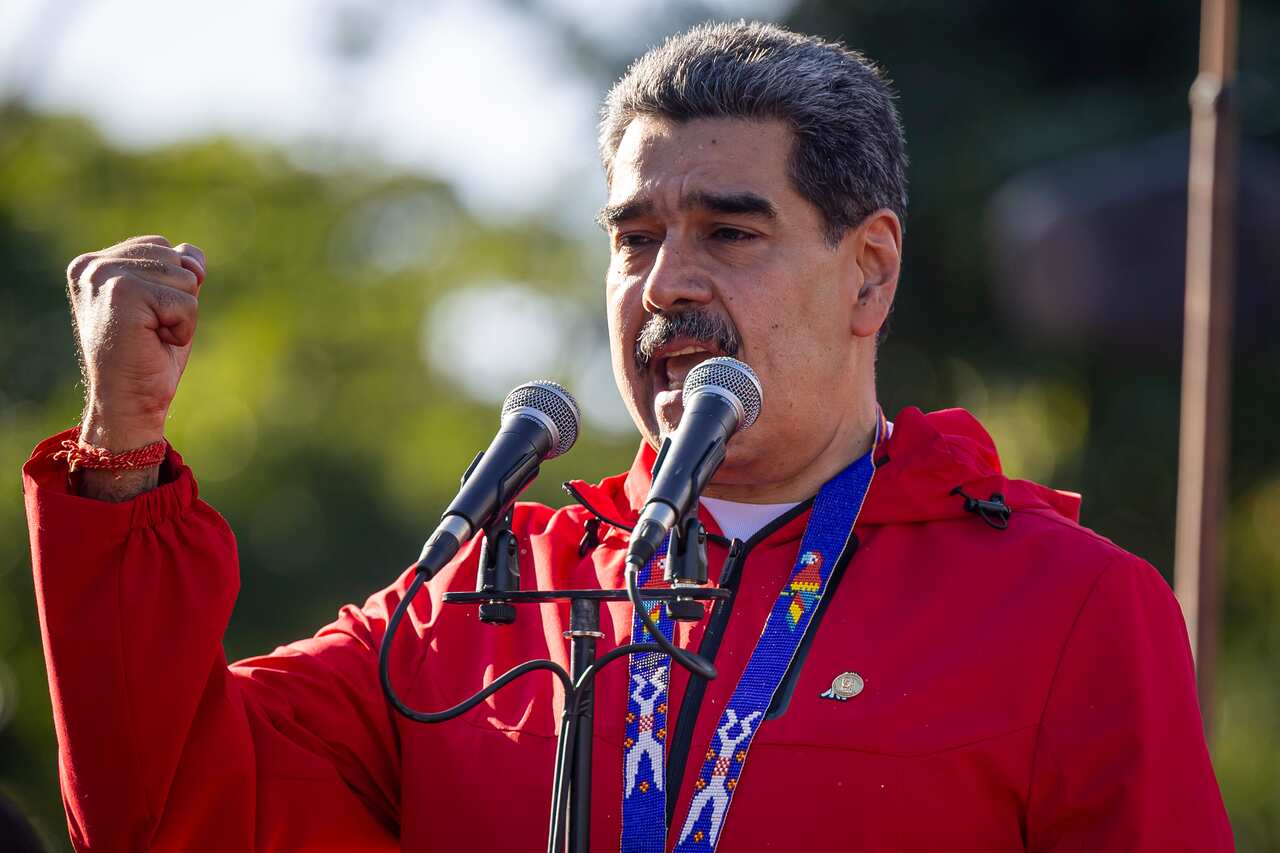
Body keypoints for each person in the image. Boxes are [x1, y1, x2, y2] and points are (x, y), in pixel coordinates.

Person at [23, 20, 1232, 853]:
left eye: (728, 232)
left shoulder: (1063, 605)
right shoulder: (481, 594)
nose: (663, 284)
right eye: (633, 237)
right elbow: (167, 803)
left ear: (866, 274)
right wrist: (121, 447)